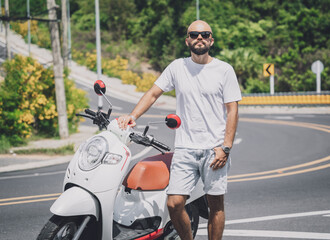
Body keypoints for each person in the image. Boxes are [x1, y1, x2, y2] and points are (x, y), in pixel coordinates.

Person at [118, 20, 241, 240]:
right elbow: (153, 93)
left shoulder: (224, 70)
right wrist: (132, 115)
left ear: (211, 40)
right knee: (174, 203)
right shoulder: (177, 67)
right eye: (194, 34)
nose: (199, 38)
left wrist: (226, 147)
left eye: (205, 34)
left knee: (216, 205)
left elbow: (232, 110)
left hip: (214, 150)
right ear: (187, 40)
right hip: (185, 149)